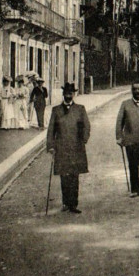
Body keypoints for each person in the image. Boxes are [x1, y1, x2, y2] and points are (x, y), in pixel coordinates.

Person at [46, 83, 90, 214]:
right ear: (63, 94)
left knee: (74, 175)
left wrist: (84, 139)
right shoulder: (56, 110)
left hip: (76, 147)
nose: (68, 95)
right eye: (66, 93)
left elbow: (87, 126)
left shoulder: (80, 109)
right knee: (64, 175)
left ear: (73, 94)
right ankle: (65, 202)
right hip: (61, 147)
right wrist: (51, 146)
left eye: (70, 93)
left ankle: (73, 204)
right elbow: (51, 130)